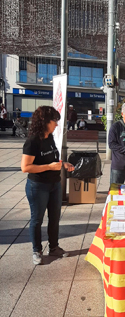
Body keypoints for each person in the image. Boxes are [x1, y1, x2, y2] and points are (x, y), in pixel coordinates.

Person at [21, 106, 74, 265]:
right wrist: (49, 167)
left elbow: (51, 159)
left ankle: (54, 247)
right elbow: (25, 167)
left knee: (55, 217)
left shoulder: (50, 137)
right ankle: (36, 250)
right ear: (45, 121)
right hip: (38, 186)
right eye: (54, 121)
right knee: (37, 219)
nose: (57, 125)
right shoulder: (32, 141)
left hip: (54, 184)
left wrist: (62, 163)